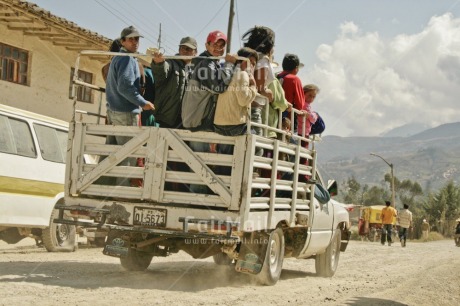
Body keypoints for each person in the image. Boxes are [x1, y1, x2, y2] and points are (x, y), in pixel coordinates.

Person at [181, 30, 237, 193]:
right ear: (207, 45)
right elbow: (219, 87)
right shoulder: (206, 64)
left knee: (201, 166)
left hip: (197, 120)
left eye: (222, 46)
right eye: (215, 44)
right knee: (201, 167)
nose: (218, 48)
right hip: (197, 121)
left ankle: (196, 201)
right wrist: (229, 65)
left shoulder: (208, 62)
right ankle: (196, 204)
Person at [105, 26, 154, 185]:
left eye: (137, 39)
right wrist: (143, 103)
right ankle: (121, 192)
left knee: (110, 154)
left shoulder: (118, 57)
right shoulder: (126, 59)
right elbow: (125, 87)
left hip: (114, 112)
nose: (135, 42)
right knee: (128, 155)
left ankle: (103, 188)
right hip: (125, 113)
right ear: (122, 41)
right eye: (131, 39)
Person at [151, 36, 198, 128]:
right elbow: (162, 71)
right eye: (182, 48)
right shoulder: (170, 62)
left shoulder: (195, 70)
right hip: (168, 119)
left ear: (195, 52)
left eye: (188, 49)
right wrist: (159, 63)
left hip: (186, 120)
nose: (185, 51)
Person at [242, 26, 276, 152]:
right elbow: (259, 87)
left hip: (241, 106)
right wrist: (269, 94)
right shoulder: (263, 60)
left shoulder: (245, 54)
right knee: (257, 150)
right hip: (255, 109)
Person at [213, 47, 258, 140]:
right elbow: (243, 100)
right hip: (234, 126)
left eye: (254, 65)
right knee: (258, 144)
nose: (252, 67)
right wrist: (253, 86)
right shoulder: (242, 74)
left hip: (218, 125)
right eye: (251, 63)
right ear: (242, 60)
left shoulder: (228, 73)